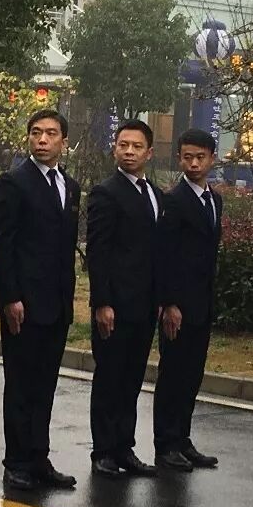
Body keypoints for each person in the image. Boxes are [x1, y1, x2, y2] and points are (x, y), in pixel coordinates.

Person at [0, 109, 81, 492]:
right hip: (24, 304)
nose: (42, 140)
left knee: (45, 385)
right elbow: (3, 243)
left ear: (64, 142)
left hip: (56, 303)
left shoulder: (70, 187)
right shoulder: (14, 182)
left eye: (51, 134)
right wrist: (10, 296)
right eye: (36, 133)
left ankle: (39, 457)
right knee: (21, 385)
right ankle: (17, 462)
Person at [86, 119, 165, 479]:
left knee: (132, 379)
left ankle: (124, 447)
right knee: (110, 378)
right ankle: (103, 450)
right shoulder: (106, 193)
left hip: (144, 305)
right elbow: (98, 252)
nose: (129, 152)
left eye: (136, 146)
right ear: (114, 148)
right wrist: (102, 303)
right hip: (115, 306)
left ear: (149, 152)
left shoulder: (155, 195)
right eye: (123, 145)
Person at [153, 128, 223, 472]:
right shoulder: (173, 201)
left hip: (202, 302)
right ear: (179, 159)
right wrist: (169, 303)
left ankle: (183, 438)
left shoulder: (215, 200)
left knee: (193, 374)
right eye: (187, 157)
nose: (194, 164)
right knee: (173, 375)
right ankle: (166, 443)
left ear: (212, 159)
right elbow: (164, 256)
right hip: (178, 306)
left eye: (200, 157)